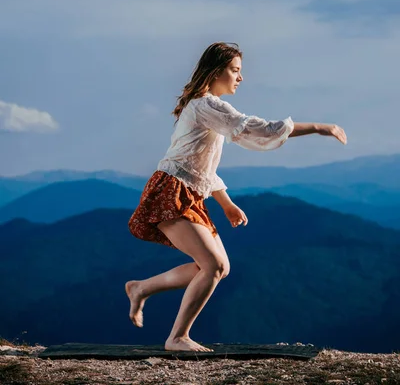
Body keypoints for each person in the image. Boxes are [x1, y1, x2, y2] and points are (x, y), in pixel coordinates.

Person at [126, 41, 347, 352]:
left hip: (187, 191)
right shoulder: (207, 106)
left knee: (217, 268)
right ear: (217, 71)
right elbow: (264, 129)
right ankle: (177, 338)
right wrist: (319, 127)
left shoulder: (206, 108)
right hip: (171, 192)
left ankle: (141, 288)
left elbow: (201, 168)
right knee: (212, 266)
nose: (240, 77)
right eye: (235, 70)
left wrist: (227, 204)